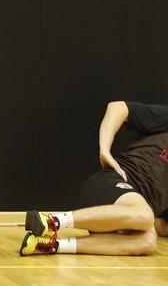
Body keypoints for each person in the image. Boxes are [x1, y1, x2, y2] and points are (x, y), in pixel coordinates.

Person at [21, 100, 168, 256]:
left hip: (124, 216)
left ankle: (52, 245)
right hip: (111, 183)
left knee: (148, 241)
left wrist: (131, 224)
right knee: (144, 215)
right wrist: (104, 150)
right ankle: (52, 221)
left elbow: (163, 226)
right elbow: (118, 107)